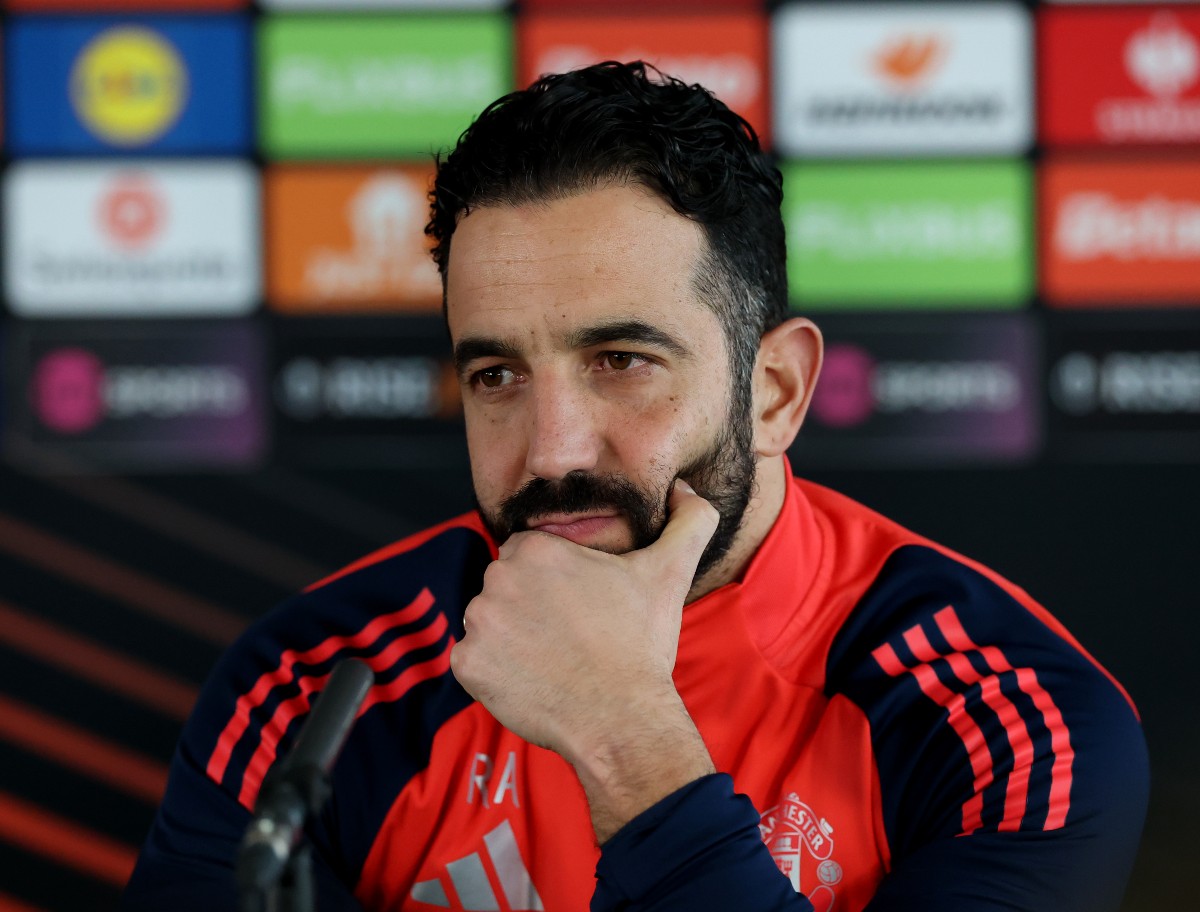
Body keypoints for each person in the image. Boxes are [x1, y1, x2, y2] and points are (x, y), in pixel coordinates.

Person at [124, 61, 1148, 912]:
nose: (552, 451)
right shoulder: (317, 688)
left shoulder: (1011, 722)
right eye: (497, 377)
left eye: (622, 359)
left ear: (776, 391)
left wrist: (623, 730)